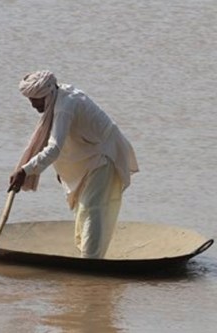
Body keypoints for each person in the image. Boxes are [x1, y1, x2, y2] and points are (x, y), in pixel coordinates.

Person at [8, 70, 138, 259]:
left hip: (103, 155)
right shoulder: (59, 96)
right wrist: (63, 168)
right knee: (83, 210)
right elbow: (70, 137)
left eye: (34, 100)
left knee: (91, 208)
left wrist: (25, 171)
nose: (32, 105)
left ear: (46, 95)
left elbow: (55, 148)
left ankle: (90, 262)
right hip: (90, 155)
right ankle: (88, 255)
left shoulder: (65, 106)